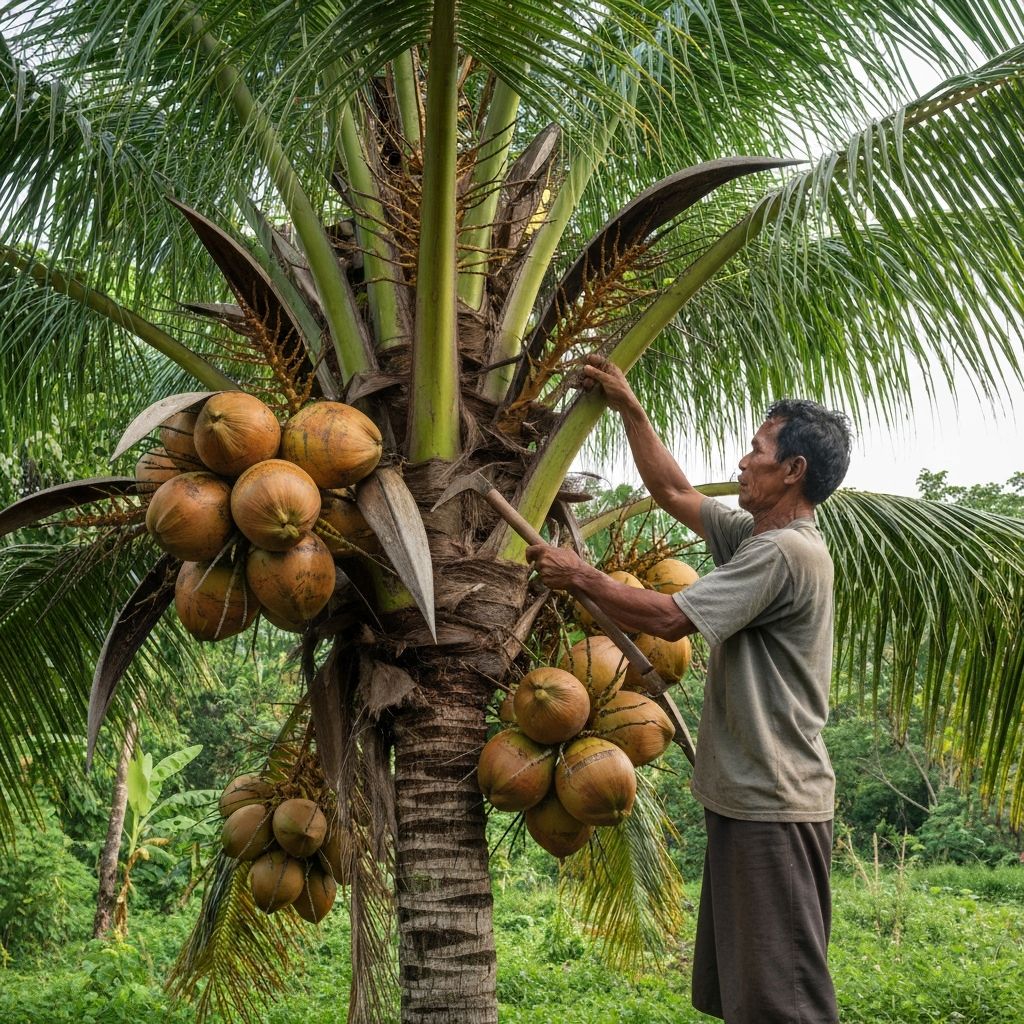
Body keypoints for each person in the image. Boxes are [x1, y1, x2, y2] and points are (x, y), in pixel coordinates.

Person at [525, 354, 852, 1024]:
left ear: (792, 470)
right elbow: (675, 494)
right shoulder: (759, 535)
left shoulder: (784, 553)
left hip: (775, 807)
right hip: (745, 802)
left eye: (757, 449)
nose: (741, 460)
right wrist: (630, 408)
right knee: (746, 995)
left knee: (784, 1002)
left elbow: (670, 616)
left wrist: (580, 576)